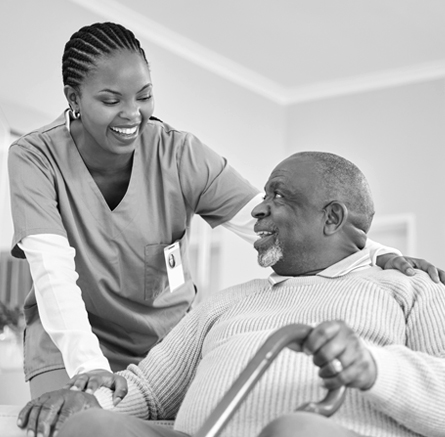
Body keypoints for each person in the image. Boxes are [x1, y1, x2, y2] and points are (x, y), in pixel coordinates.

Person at [8, 21, 442, 399]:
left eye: (144, 96)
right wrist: (89, 368)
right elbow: (53, 273)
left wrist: (373, 251)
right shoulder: (34, 157)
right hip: (70, 343)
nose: (132, 114)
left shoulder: (177, 154)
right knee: (72, 427)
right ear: (74, 97)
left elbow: (272, 215)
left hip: (166, 346)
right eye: (110, 100)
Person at [18, 152, 445, 437]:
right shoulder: (226, 302)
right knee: (91, 428)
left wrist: (375, 368)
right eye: (264, 195)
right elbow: (148, 391)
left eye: (278, 196)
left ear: (331, 218)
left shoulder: (409, 286)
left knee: (301, 434)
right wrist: (92, 400)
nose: (258, 209)